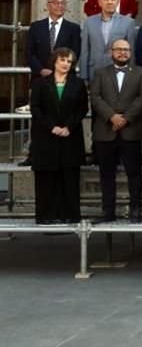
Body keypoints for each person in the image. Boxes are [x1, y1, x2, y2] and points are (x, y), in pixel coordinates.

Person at [89, 40, 142, 223]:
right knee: (106, 174)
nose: (123, 53)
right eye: (119, 50)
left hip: (131, 130)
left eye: (126, 50)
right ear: (111, 52)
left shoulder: (141, 73)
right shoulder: (100, 73)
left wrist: (125, 118)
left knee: (134, 173)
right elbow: (95, 97)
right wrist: (112, 117)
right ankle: (108, 212)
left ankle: (135, 210)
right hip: (105, 131)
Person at [30, 48, 88, 224]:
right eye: (63, 60)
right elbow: (36, 108)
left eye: (69, 62)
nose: (66, 64)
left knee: (69, 178)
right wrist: (52, 127)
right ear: (55, 61)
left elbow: (82, 108)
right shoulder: (41, 83)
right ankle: (46, 216)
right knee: (46, 179)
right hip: (46, 138)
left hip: (70, 137)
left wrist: (68, 126)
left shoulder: (78, 84)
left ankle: (69, 215)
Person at [78, 0, 138, 81]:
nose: (110, 2)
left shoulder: (128, 23)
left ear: (118, 2)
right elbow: (85, 50)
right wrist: (83, 76)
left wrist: (130, 75)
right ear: (99, 2)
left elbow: (132, 52)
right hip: (94, 71)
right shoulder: (89, 22)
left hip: (119, 73)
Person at [26, 0, 81, 81]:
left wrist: (59, 70)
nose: (60, 6)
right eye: (55, 3)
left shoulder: (74, 28)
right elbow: (29, 53)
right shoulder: (36, 27)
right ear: (48, 5)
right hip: (40, 78)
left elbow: (75, 53)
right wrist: (41, 70)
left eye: (63, 3)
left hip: (65, 78)